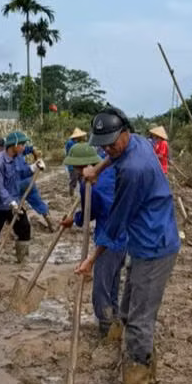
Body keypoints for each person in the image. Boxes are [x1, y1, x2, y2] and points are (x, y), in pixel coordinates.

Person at [77, 106, 181, 384]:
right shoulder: (136, 142)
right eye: (103, 144)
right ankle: (138, 361)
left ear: (126, 132)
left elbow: (115, 224)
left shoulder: (134, 170)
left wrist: (91, 260)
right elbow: (117, 155)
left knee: (139, 318)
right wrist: (100, 167)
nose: (108, 149)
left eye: (112, 143)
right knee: (128, 303)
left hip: (154, 245)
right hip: (145, 238)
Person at [60, 143, 127, 338]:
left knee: (101, 288)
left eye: (75, 167)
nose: (75, 171)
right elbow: (92, 210)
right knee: (112, 284)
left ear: (82, 167)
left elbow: (97, 211)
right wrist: (76, 219)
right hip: (126, 238)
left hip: (110, 240)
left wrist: (79, 220)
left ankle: (106, 328)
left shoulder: (91, 185)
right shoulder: (112, 172)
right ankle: (114, 323)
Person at [0, 131, 45, 262]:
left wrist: (33, 168)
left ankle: (22, 259)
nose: (24, 147)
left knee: (24, 227)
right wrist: (11, 202)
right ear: (14, 145)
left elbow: (20, 174)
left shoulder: (16, 157)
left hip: (14, 201)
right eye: (22, 144)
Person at [0, 137, 53, 230]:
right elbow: (30, 149)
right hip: (28, 181)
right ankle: (48, 219)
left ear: (1, 146)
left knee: (13, 206)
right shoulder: (17, 149)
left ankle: (16, 227)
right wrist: (35, 153)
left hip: (16, 185)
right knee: (37, 201)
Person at [65, 128, 88, 197]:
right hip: (73, 166)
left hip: (80, 165)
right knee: (73, 181)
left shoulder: (78, 143)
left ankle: (82, 194)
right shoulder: (70, 143)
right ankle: (71, 196)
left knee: (82, 181)